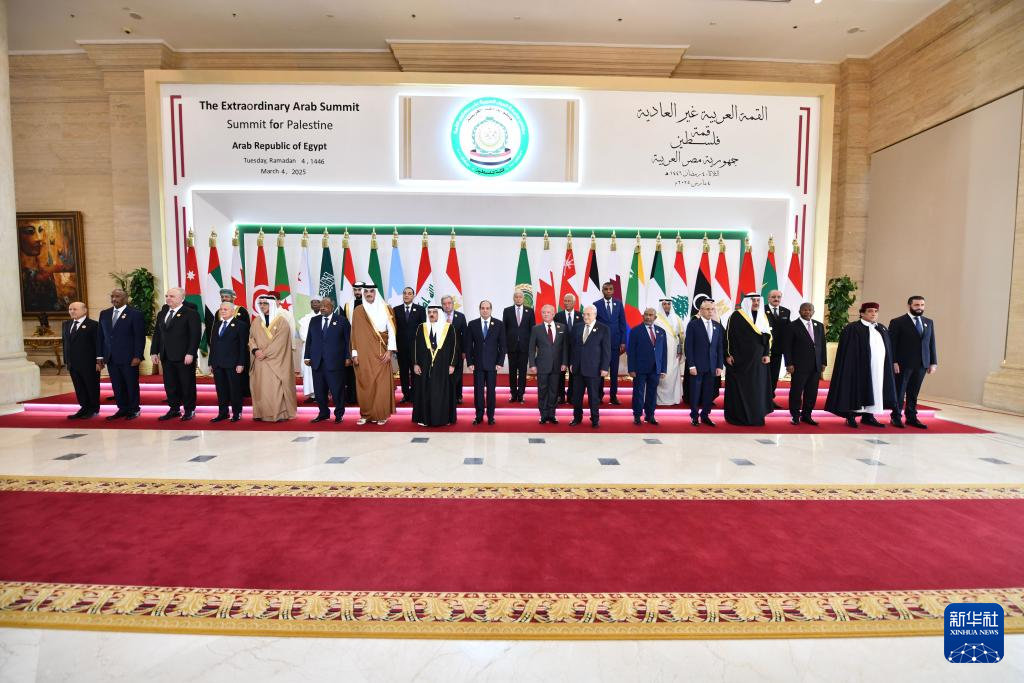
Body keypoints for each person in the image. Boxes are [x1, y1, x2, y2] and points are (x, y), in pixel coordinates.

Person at [825, 302, 897, 428]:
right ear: (862, 313)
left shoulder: (881, 328)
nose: (873, 314)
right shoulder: (852, 328)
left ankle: (868, 416)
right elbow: (848, 352)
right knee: (856, 390)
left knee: (875, 389)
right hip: (858, 368)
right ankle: (851, 416)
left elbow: (888, 349)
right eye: (870, 311)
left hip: (879, 369)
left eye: (876, 311)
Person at [151, 287, 201, 421]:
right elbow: (157, 334)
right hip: (166, 355)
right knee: (170, 384)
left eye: (172, 296)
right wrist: (154, 351)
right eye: (167, 296)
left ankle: (189, 410)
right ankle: (174, 409)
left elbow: (195, 335)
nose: (168, 298)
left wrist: (191, 353)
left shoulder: (190, 313)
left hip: (184, 356)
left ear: (182, 298)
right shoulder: (162, 313)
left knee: (187, 384)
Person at [888, 295, 938, 429]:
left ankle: (911, 417)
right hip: (902, 364)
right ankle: (896, 417)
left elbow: (931, 343)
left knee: (913, 392)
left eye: (922, 305)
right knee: (899, 392)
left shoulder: (929, 322)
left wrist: (933, 362)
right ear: (909, 305)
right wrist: (893, 361)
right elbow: (892, 344)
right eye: (916, 305)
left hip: (922, 364)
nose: (919, 307)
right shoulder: (897, 322)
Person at [724, 293, 773, 426]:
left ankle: (756, 416)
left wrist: (766, 354)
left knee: (756, 389)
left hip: (758, 362)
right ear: (746, 302)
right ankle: (738, 417)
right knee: (741, 389)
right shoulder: (736, 316)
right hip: (739, 361)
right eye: (753, 300)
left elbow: (768, 337)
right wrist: (728, 354)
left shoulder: (763, 316)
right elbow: (728, 337)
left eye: (758, 300)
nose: (756, 303)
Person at [350, 285, 397, 425]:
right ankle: (366, 415)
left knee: (381, 385)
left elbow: (392, 331)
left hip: (381, 353)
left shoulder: (386, 308)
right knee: (365, 384)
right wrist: (354, 353)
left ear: (376, 293)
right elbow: (354, 333)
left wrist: (390, 351)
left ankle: (382, 414)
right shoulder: (358, 310)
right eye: (366, 291)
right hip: (363, 354)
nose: (368, 294)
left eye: (371, 291)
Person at [97, 287, 145, 421]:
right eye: (112, 296)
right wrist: (99, 356)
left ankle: (134, 409)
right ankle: (122, 408)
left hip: (129, 357)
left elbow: (139, 337)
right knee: (117, 385)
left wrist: (138, 355)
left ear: (125, 298)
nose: (114, 299)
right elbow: (100, 336)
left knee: (131, 384)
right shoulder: (104, 313)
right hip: (111, 357)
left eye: (117, 296)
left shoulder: (135, 314)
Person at [248, 293, 297, 422]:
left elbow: (280, 342)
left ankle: (279, 414)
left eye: (265, 303)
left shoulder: (282, 321)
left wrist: (264, 353)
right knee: (261, 388)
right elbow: (251, 338)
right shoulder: (256, 321)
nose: (262, 306)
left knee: (275, 388)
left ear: (271, 304)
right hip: (259, 361)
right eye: (260, 303)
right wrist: (255, 350)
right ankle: (261, 413)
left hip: (277, 362)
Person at [303, 296, 350, 424]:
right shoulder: (314, 320)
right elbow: (309, 339)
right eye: (321, 306)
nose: (322, 308)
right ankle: (323, 413)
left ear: (332, 307)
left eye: (325, 306)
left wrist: (348, 357)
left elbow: (348, 341)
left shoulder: (342, 321)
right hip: (317, 362)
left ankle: (339, 414)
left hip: (335, 362)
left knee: (337, 390)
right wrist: (307, 356)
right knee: (319, 391)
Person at [412, 305, 459, 427]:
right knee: (426, 391)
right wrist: (416, 363)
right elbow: (415, 346)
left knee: (441, 392)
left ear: (440, 314)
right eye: (429, 312)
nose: (431, 314)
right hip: (425, 365)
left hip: (443, 366)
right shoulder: (421, 327)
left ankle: (443, 419)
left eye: (434, 312)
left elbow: (455, 347)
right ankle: (425, 419)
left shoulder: (449, 328)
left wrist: (452, 364)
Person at [784, 302, 826, 426]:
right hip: (798, 366)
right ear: (799, 311)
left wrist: (823, 362)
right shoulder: (792, 326)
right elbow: (787, 347)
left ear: (813, 312)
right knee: (796, 392)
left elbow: (822, 345)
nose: (807, 312)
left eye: (810, 310)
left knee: (812, 392)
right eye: (804, 310)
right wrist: (789, 363)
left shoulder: (819, 325)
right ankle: (795, 415)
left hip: (816, 365)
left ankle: (807, 415)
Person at [684, 298, 725, 427]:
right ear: (701, 310)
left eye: (712, 309)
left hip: (712, 366)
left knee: (709, 393)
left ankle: (705, 415)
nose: (710, 311)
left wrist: (719, 365)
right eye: (708, 309)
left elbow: (719, 347)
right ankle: (694, 416)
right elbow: (688, 346)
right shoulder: (693, 325)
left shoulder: (717, 325)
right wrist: (691, 365)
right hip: (697, 366)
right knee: (695, 392)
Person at [568, 305, 610, 428]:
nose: (585, 317)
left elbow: (606, 350)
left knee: (593, 397)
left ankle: (595, 419)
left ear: (595, 315)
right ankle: (577, 418)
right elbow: (573, 347)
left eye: (588, 314)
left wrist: (604, 367)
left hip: (594, 369)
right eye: (584, 314)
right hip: (578, 369)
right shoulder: (577, 327)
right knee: (577, 396)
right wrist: (572, 363)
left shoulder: (603, 328)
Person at [466, 300, 506, 425]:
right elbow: (468, 345)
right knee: (478, 391)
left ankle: (490, 416)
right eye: (482, 308)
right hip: (477, 364)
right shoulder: (472, 324)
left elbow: (503, 345)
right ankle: (478, 416)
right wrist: (469, 362)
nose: (485, 310)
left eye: (487, 308)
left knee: (491, 392)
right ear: (479, 309)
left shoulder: (499, 324)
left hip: (492, 364)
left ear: (491, 309)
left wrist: (500, 362)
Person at [208, 301, 248, 423]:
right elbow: (213, 344)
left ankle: (237, 413)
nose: (223, 311)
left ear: (232, 311)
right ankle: (223, 413)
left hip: (233, 364)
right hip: (217, 363)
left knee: (234, 389)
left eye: (225, 309)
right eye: (221, 309)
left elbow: (243, 346)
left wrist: (241, 363)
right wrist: (211, 362)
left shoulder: (240, 325)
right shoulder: (217, 324)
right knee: (221, 390)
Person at [528, 304, 569, 424]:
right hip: (542, 365)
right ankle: (543, 414)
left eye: (548, 312)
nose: (546, 314)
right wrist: (532, 364)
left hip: (557, 365)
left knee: (554, 391)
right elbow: (531, 348)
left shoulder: (562, 327)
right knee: (542, 390)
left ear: (553, 313)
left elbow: (565, 347)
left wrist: (564, 362)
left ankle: (552, 414)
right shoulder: (536, 329)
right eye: (543, 312)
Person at [627, 307, 668, 426]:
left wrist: (663, 369)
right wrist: (631, 369)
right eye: (646, 314)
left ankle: (650, 415)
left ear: (655, 317)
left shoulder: (661, 331)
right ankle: (637, 415)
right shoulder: (635, 331)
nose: (648, 317)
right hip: (639, 368)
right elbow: (631, 352)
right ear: (643, 316)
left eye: (650, 315)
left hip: (655, 368)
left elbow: (663, 352)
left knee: (652, 393)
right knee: (638, 393)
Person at [62, 301, 101, 419]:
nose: (72, 311)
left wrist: (99, 361)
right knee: (79, 387)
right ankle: (84, 407)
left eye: (75, 309)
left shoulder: (93, 325)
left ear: (84, 311)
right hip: (73, 363)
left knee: (91, 386)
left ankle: (93, 409)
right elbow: (65, 343)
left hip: (89, 363)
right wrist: (66, 360)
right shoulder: (66, 324)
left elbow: (98, 344)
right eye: (70, 309)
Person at [594, 281, 628, 404]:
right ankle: (599, 396)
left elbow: (622, 324)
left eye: (610, 289)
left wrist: (623, 341)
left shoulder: (618, 304)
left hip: (615, 343)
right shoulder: (596, 304)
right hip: (601, 345)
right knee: (601, 371)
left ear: (613, 291)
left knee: (614, 372)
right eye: (606, 289)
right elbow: (594, 324)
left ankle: (613, 397)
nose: (608, 291)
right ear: (602, 291)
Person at [502, 289, 535, 403]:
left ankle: (521, 394)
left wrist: (532, 347)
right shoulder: (507, 311)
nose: (518, 299)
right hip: (511, 347)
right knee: (512, 372)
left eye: (520, 297)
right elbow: (504, 330)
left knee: (522, 372)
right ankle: (513, 394)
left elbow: (533, 330)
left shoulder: (530, 311)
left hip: (524, 347)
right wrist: (504, 347)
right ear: (513, 298)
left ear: (523, 298)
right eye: (516, 297)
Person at [394, 286, 425, 404]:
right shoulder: (396, 310)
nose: (406, 295)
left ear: (413, 296)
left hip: (416, 348)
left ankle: (415, 394)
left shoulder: (420, 309)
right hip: (401, 348)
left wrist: (421, 347)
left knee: (415, 372)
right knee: (403, 372)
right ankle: (405, 395)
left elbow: (423, 329)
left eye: (409, 293)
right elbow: (394, 329)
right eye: (405, 293)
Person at [219, 288, 250, 397]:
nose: (224, 298)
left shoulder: (241, 311)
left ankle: (242, 394)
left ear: (233, 298)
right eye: (222, 297)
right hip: (222, 351)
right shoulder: (219, 312)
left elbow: (246, 331)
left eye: (226, 296)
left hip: (237, 349)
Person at [655, 298, 684, 405]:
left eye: (668, 304)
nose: (666, 306)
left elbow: (681, 336)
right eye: (664, 304)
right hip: (660, 350)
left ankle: (673, 398)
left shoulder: (677, 318)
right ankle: (658, 398)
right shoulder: (655, 318)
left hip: (673, 351)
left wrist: (680, 350)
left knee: (672, 373)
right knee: (661, 373)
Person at [764, 289, 791, 407]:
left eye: (778, 297)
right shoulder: (761, 310)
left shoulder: (786, 311)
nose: (776, 299)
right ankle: (761, 399)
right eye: (773, 297)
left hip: (778, 350)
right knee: (763, 376)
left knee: (774, 376)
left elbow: (789, 330)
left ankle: (770, 399)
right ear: (768, 298)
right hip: (764, 350)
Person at [440, 295, 467, 403]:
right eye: (444, 304)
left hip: (458, 351)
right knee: (443, 374)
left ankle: (458, 396)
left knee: (458, 374)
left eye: (449, 303)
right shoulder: (438, 317)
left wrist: (464, 351)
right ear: (442, 305)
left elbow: (465, 335)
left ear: (453, 304)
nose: (447, 306)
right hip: (442, 352)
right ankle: (445, 396)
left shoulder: (460, 316)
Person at [554, 293, 580, 404]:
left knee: (574, 374)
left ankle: (571, 396)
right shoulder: (558, 316)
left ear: (574, 302)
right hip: (561, 351)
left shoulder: (580, 316)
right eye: (565, 301)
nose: (567, 303)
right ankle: (560, 396)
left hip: (575, 351)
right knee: (560, 374)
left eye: (569, 301)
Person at [296, 297, 322, 402]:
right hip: (309, 349)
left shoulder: (326, 316)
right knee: (309, 372)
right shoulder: (305, 318)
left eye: (317, 302)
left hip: (323, 349)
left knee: (321, 372)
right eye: (312, 302)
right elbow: (303, 335)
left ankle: (322, 394)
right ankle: (312, 395)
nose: (314, 304)